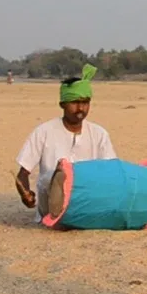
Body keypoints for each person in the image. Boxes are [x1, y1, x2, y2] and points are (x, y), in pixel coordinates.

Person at [14, 64, 117, 220]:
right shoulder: (44, 131)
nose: (80, 108)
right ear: (62, 104)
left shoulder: (99, 134)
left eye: (85, 102)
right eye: (74, 103)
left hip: (86, 197)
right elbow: (22, 174)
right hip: (50, 203)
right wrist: (25, 193)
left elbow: (111, 170)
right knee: (53, 176)